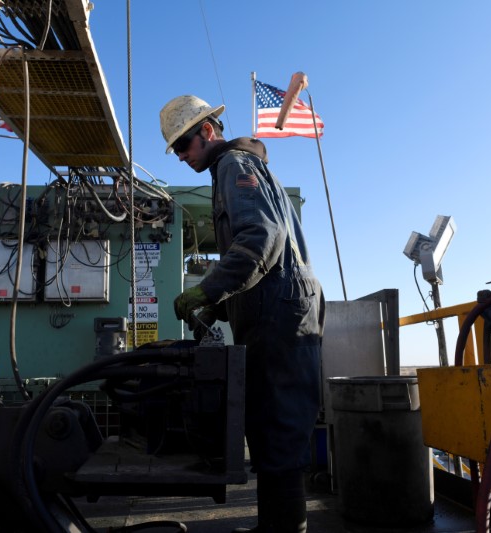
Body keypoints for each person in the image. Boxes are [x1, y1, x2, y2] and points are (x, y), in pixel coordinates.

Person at [159, 95, 325, 533]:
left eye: (184, 145)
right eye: (175, 149)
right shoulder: (230, 170)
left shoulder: (235, 165)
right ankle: (276, 525)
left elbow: (259, 238)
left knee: (280, 427)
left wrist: (207, 289)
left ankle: (285, 529)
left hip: (282, 316)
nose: (181, 155)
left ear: (208, 131)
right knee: (270, 427)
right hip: (275, 312)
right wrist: (219, 306)